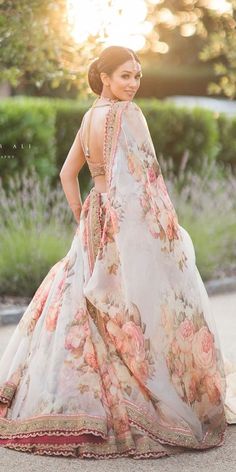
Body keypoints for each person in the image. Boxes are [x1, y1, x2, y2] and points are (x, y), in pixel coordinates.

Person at [0, 45, 235, 460]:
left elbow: (67, 173)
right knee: (136, 309)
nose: (133, 83)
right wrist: (165, 233)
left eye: (137, 76)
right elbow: (147, 180)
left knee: (88, 304)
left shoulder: (89, 117)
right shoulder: (129, 116)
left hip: (95, 219)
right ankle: (135, 405)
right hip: (126, 223)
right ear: (105, 77)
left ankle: (69, 403)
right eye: (125, 75)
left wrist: (82, 212)